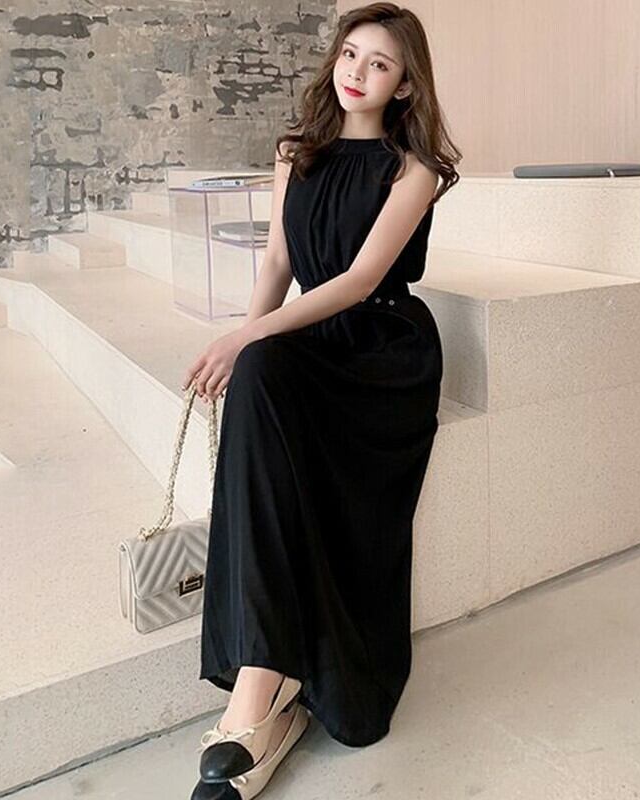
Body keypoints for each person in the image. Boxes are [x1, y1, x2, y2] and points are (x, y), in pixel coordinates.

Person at [182, 3, 461, 798]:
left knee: (263, 368)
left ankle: (258, 701)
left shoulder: (413, 169)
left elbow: (360, 281)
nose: (357, 72)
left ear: (404, 86)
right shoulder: (294, 154)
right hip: (308, 335)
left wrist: (248, 339)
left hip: (380, 350)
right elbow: (277, 262)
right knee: (259, 378)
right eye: (350, 54)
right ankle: (260, 685)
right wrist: (245, 341)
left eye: (379, 63)